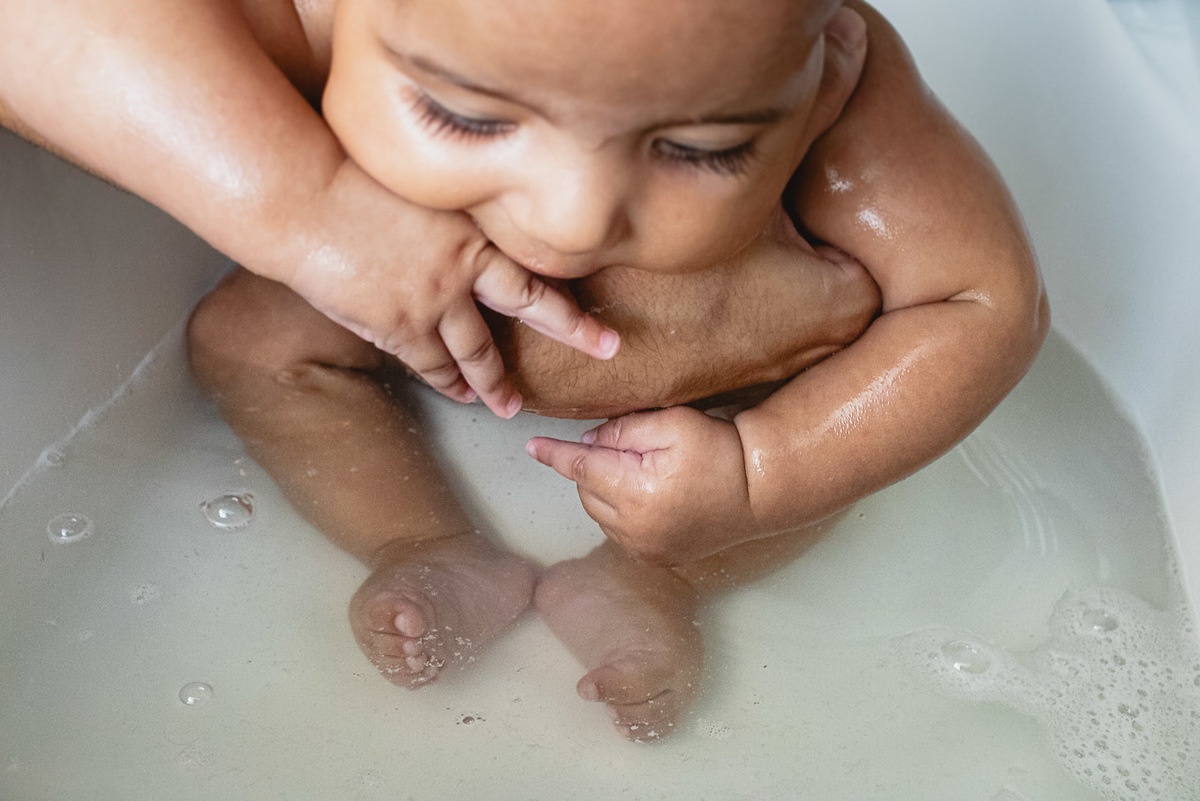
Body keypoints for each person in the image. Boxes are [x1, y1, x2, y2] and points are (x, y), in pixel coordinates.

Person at [0, 0, 1048, 741]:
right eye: (466, 117)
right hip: (423, 332)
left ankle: (663, 568)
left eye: (701, 146)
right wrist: (312, 213)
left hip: (721, 398)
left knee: (864, 401)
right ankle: (425, 540)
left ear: (827, 59)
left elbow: (984, 307)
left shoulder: (837, 76)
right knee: (250, 340)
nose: (573, 217)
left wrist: (761, 472)